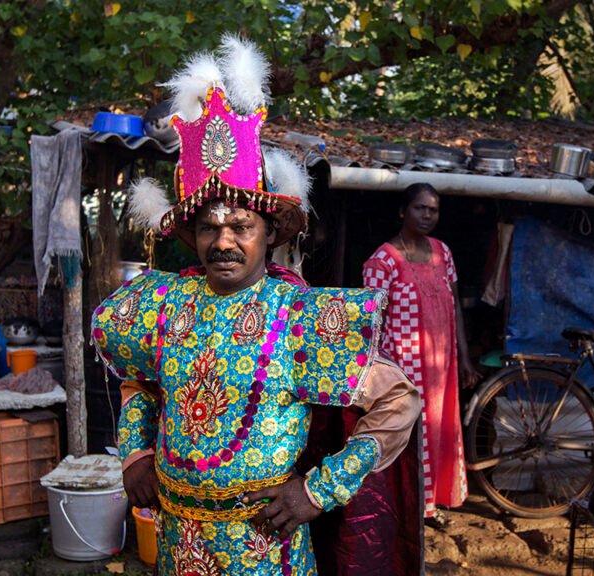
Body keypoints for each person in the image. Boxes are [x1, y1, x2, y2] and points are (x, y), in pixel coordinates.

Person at [90, 35, 421, 575]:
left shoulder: (301, 316)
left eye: (241, 227)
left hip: (266, 549)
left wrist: (318, 491)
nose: (224, 242)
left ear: (269, 234)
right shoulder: (164, 304)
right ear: (192, 236)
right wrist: (135, 453)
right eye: (208, 228)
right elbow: (138, 380)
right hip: (178, 544)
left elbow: (398, 402)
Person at [363, 182, 481, 526]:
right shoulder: (383, 260)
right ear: (403, 211)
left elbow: (455, 306)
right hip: (402, 368)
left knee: (440, 430)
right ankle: (409, 506)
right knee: (409, 436)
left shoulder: (443, 252)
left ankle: (430, 504)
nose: (427, 215)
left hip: (440, 365)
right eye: (420, 208)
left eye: (433, 209)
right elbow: (370, 320)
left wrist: (466, 358)